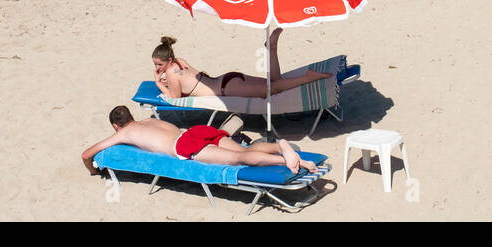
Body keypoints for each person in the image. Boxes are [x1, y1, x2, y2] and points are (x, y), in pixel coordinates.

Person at [79, 106, 316, 176]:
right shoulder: (147, 121)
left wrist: (92, 170)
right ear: (131, 116)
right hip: (196, 131)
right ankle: (280, 145)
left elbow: (86, 153)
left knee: (240, 159)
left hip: (185, 146)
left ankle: (287, 161)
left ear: (115, 125)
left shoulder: (124, 133)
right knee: (247, 147)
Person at [152, 30, 331, 99]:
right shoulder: (180, 62)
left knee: (274, 88)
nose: (157, 69)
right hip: (227, 79)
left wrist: (159, 83)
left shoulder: (171, 74)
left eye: (159, 65)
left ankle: (307, 77)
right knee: (274, 82)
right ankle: (271, 49)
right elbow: (190, 79)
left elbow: (174, 98)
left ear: (168, 61)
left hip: (226, 90)